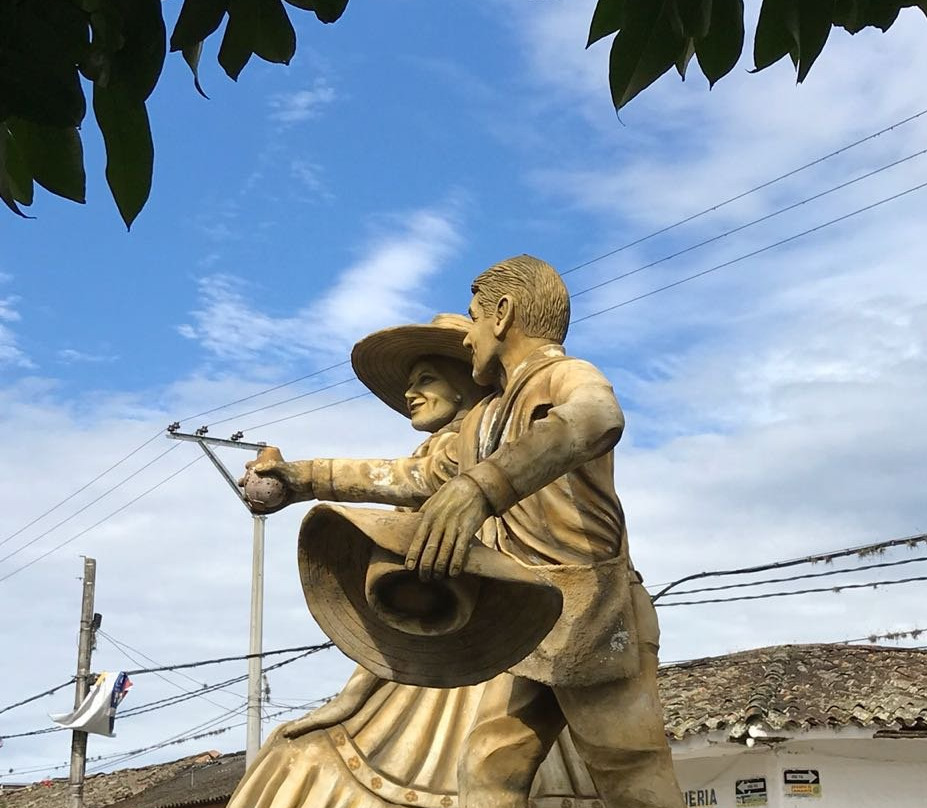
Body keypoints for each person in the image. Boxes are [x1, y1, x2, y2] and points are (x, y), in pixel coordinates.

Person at [244, 256, 684, 808]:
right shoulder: (481, 421)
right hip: (533, 620)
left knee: (630, 773)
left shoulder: (561, 377)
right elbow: (415, 475)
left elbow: (597, 418)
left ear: (502, 316)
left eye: (473, 319)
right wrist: (301, 478)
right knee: (489, 765)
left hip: (594, 619)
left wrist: (482, 488)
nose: (468, 336)